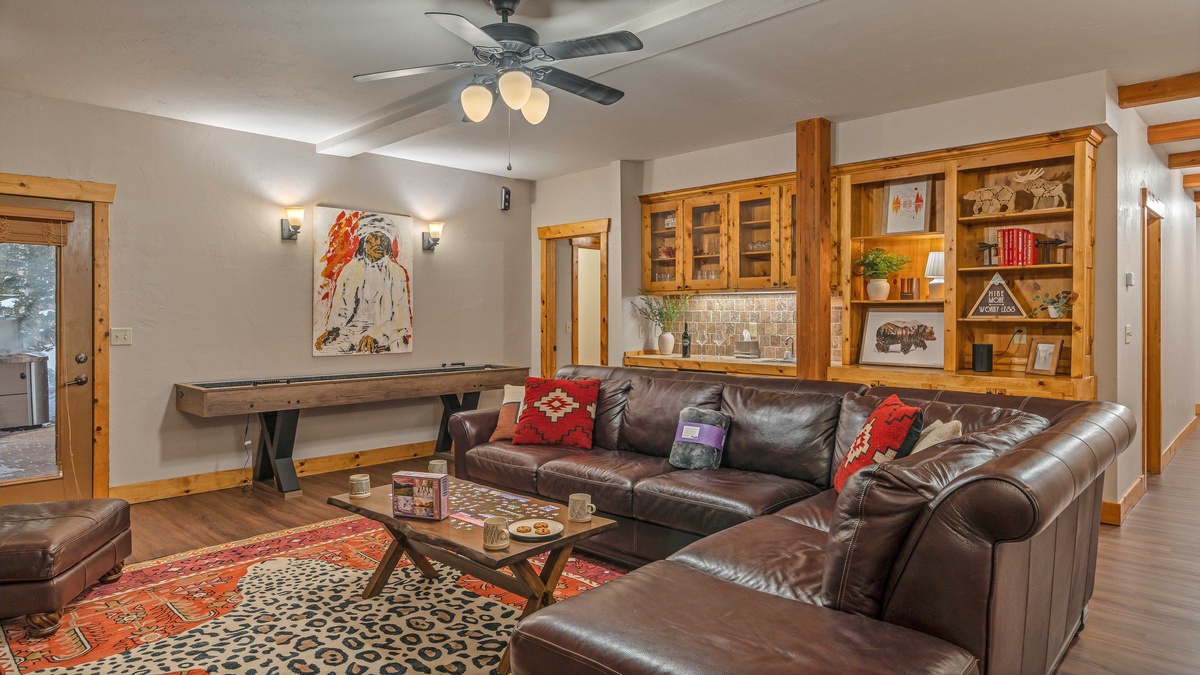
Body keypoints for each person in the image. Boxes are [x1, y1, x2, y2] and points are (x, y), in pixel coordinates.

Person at [315, 214, 412, 353]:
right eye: (374, 238)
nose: (379, 243)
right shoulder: (349, 270)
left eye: (383, 239)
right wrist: (332, 331)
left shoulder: (397, 273)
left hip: (386, 336)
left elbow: (401, 321)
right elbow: (340, 310)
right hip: (350, 335)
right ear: (364, 242)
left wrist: (376, 336)